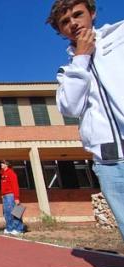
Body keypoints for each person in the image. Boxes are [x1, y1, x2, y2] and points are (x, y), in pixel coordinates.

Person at [47, 0, 124, 239]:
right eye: (65, 22)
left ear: (92, 13)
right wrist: (81, 57)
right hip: (109, 160)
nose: (73, 23)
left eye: (78, 15)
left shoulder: (119, 37)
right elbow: (69, 106)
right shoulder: (68, 70)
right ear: (60, 31)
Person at [0, 160, 24, 236]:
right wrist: (2, 194)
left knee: (15, 212)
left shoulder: (11, 173)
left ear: (6, 164)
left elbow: (15, 186)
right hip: (5, 196)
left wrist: (16, 197)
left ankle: (18, 229)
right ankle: (10, 228)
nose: (1, 164)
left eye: (2, 163)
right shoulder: (3, 174)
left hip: (11, 195)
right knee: (6, 212)